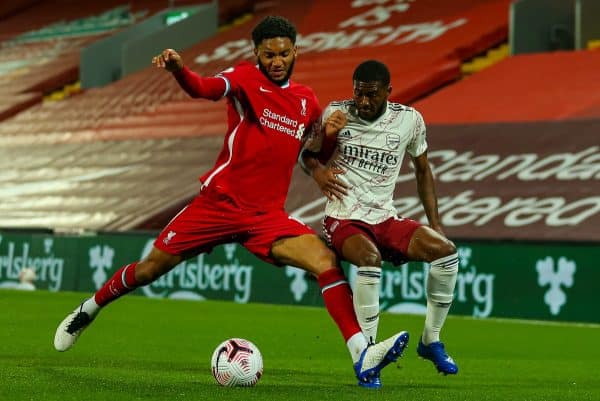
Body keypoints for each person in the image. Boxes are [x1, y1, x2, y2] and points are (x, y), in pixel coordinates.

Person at [53, 17, 409, 388]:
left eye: (284, 53)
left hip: (266, 216)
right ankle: (88, 309)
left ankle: (361, 355)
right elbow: (204, 89)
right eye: (269, 54)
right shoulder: (242, 79)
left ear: (295, 52)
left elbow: (312, 153)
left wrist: (330, 138)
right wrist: (179, 70)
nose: (276, 61)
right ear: (256, 53)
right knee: (149, 270)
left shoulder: (306, 100)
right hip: (219, 205)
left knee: (324, 261)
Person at [300, 60, 459, 375]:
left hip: (385, 218)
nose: (363, 102)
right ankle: (369, 354)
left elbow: (423, 170)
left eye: (371, 94)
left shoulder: (409, 121)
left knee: (446, 253)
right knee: (369, 258)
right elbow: (307, 154)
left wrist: (436, 224)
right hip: (343, 217)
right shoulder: (336, 112)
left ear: (388, 91)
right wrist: (318, 171)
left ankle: (431, 340)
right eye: (358, 93)